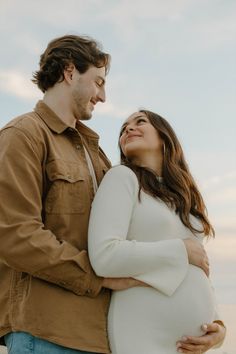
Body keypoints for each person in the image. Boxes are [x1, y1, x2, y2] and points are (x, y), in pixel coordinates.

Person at [0, 34, 223, 354]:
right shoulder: (24, 135)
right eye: (98, 82)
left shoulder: (98, 158)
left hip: (101, 336)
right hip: (47, 334)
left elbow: (135, 242)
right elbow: (15, 236)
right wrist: (99, 276)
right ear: (69, 72)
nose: (103, 96)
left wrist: (215, 322)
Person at [88, 110, 226, 354]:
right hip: (142, 332)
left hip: (193, 346)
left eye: (140, 122)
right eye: (123, 128)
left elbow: (200, 270)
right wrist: (181, 250)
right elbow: (104, 256)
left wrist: (218, 326)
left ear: (164, 137)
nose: (128, 129)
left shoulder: (185, 198)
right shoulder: (122, 178)